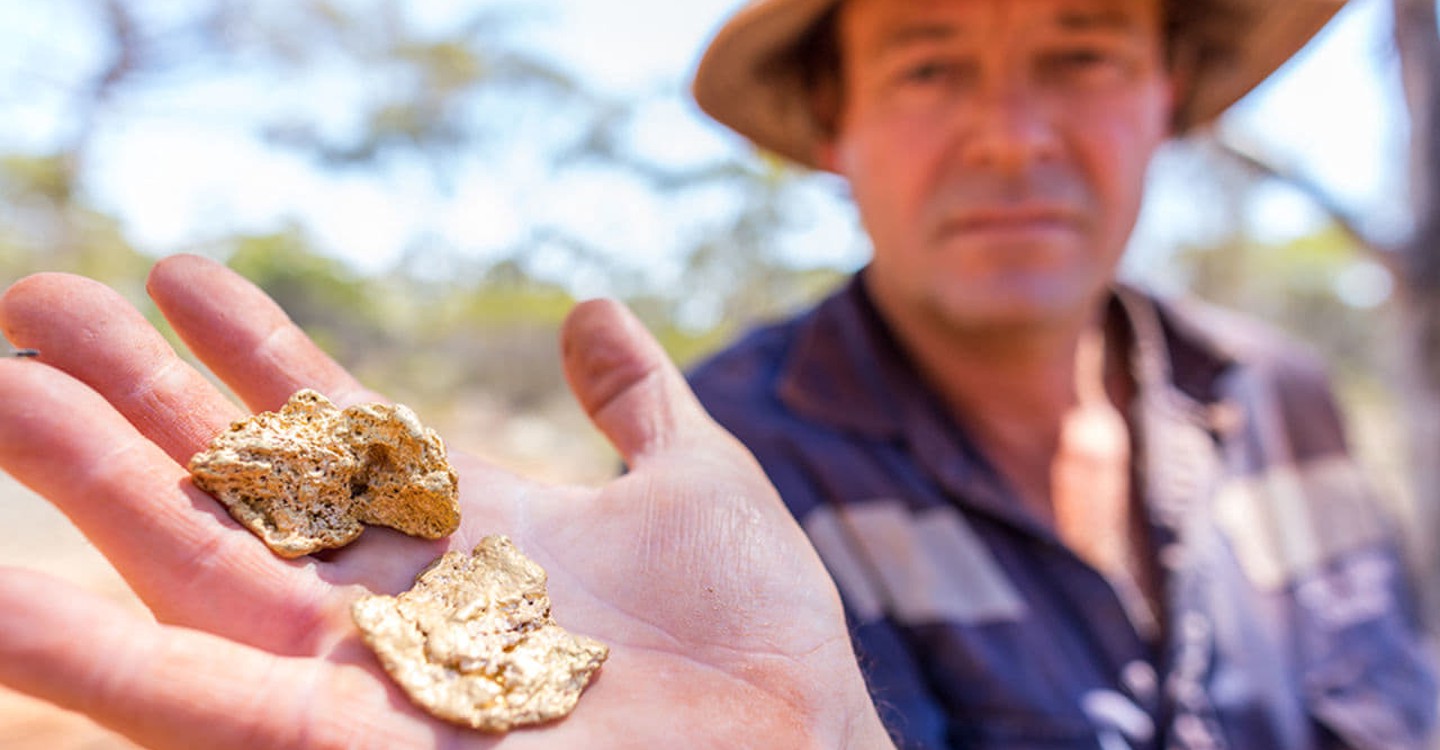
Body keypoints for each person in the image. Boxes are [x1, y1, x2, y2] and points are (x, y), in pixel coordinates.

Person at [684, 0, 1436, 748]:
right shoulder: (728, 468)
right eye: (928, 69)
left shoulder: (1279, 400)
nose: (1013, 140)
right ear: (833, 116)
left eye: (1084, 58)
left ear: (1165, 88)